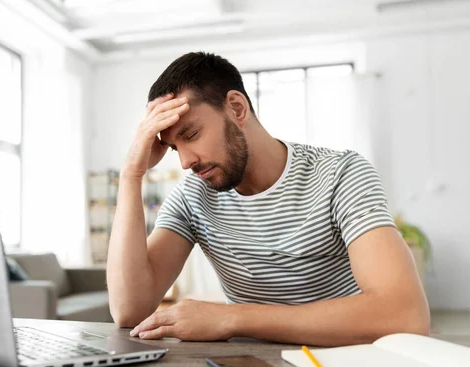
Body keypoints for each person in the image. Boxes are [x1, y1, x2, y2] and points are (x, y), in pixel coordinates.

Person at [106, 52, 429, 346]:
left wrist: (230, 318)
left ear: (236, 107)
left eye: (191, 135)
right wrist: (130, 174)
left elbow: (404, 315)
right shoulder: (193, 198)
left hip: (345, 360)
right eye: (175, 147)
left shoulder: (340, 173)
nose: (185, 162)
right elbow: (129, 311)